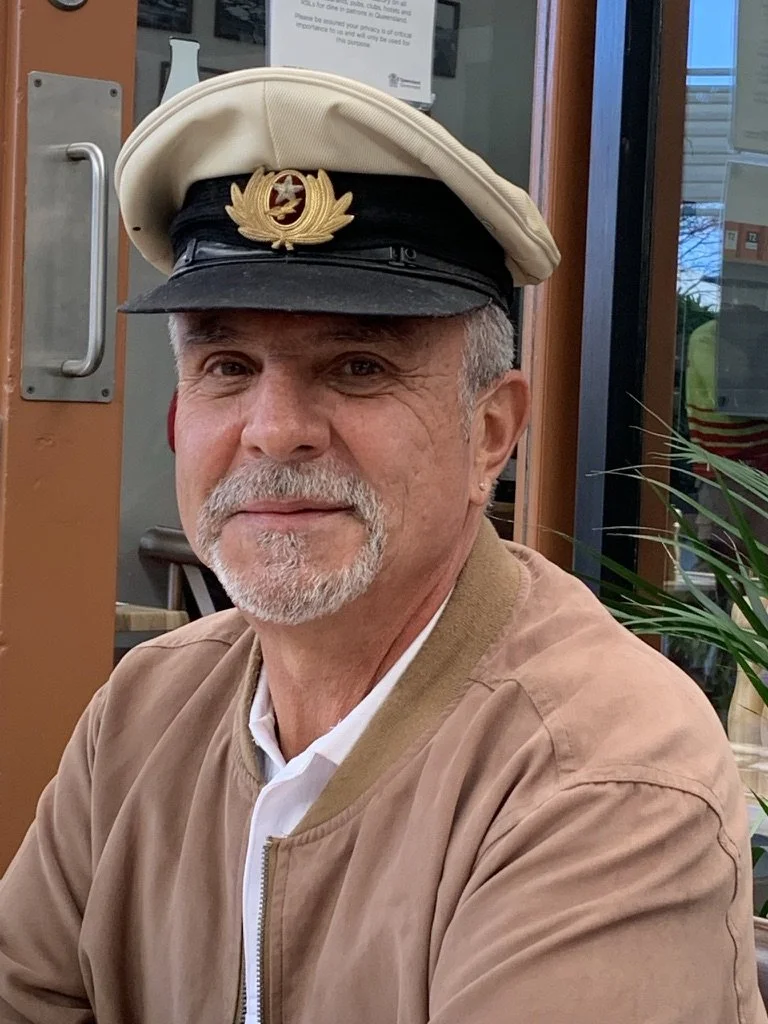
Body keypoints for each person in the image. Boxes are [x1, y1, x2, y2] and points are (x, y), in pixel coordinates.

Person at [0, 67, 765, 1024]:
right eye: (227, 366)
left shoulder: (596, 771)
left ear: (490, 431)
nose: (274, 430)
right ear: (177, 416)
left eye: (357, 366)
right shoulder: (146, 711)